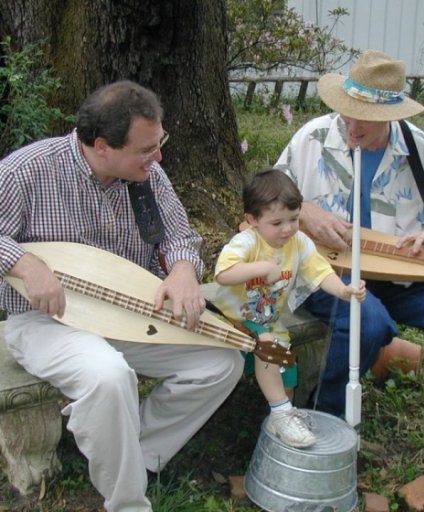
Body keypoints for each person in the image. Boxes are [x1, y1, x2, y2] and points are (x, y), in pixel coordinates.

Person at [0, 81, 244, 512]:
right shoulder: (26, 172)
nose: (159, 157)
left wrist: (184, 270)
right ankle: (128, 501)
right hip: (45, 322)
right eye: (147, 149)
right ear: (102, 146)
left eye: (160, 143)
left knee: (219, 363)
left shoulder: (147, 176)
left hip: (130, 312)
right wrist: (25, 263)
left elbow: (180, 236)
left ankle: (135, 452)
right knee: (110, 376)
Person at [275, 50, 424, 510]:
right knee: (365, 320)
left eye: (365, 124)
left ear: (389, 117)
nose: (352, 130)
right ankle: (327, 424)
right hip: (328, 272)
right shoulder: (312, 137)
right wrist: (306, 212)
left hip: (400, 276)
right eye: (347, 117)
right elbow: (270, 191)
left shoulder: (416, 146)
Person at [213, 169, 366, 448]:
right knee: (269, 346)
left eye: (294, 219)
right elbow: (223, 274)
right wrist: (261, 267)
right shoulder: (247, 242)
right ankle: (282, 412)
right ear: (252, 220)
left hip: (268, 320)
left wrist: (343, 290)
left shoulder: (299, 243)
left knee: (287, 367)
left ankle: (282, 416)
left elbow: (319, 273)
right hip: (231, 316)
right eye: (277, 222)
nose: (287, 229)